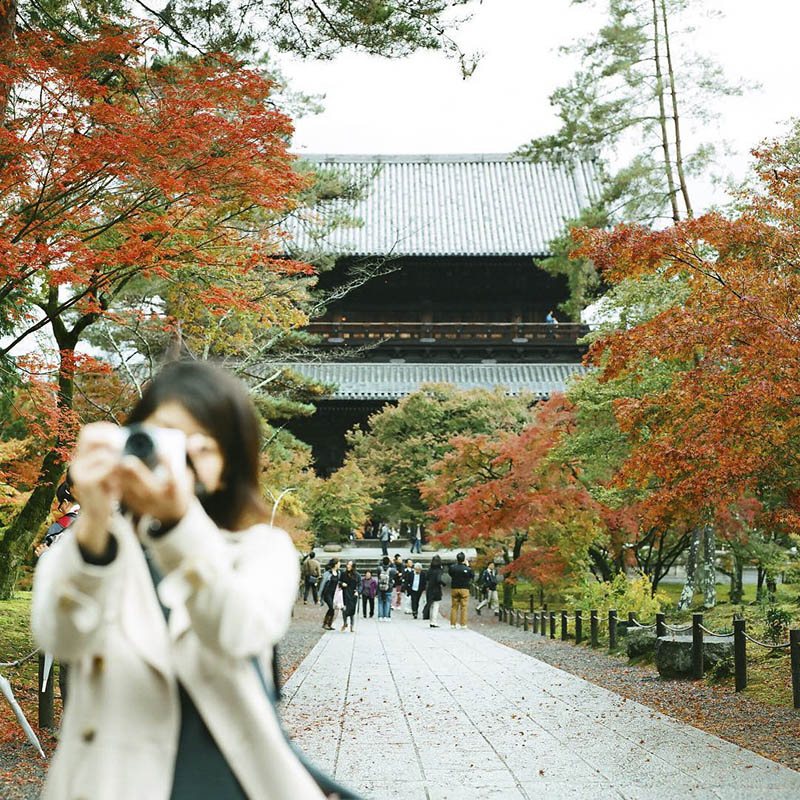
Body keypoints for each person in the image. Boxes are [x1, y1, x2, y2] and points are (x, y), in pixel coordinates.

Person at [31, 361, 326, 800]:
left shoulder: (262, 550)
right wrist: (93, 518)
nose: (180, 460)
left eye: (201, 447)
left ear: (230, 466)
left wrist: (177, 524)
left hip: (224, 783)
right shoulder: (90, 548)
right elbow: (60, 639)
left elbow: (238, 629)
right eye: (165, 439)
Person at [36, 477, 80, 557]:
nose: (61, 510)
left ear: (66, 503)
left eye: (60, 506)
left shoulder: (60, 525)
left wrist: (43, 555)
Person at [448, 552, 474, 629]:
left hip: (455, 587)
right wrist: (468, 566)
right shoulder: (467, 569)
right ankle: (463, 624)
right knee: (464, 606)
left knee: (454, 606)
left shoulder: (452, 567)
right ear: (464, 559)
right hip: (464, 588)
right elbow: (472, 575)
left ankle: (453, 624)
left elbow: (450, 574)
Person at [423, 555, 446, 627]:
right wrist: (443, 583)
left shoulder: (430, 570)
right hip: (436, 589)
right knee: (436, 605)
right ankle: (434, 621)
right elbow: (438, 579)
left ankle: (430, 619)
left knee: (430, 604)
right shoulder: (439, 570)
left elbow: (426, 578)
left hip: (430, 588)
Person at [339, 560, 360, 632]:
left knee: (352, 610)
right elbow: (339, 581)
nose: (348, 566)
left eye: (350, 565)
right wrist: (342, 584)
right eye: (348, 564)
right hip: (345, 593)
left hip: (353, 594)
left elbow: (359, 584)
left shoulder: (357, 575)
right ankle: (345, 623)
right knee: (344, 609)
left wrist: (357, 591)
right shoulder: (343, 574)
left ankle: (352, 625)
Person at [320, 558, 340, 630]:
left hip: (334, 594)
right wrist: (319, 595)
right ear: (335, 564)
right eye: (338, 563)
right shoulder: (328, 573)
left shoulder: (338, 573)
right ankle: (325, 623)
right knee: (331, 608)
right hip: (327, 593)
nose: (339, 564)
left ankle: (329, 624)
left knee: (332, 608)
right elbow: (322, 584)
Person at [376, 557, 396, 621]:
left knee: (380, 602)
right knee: (388, 602)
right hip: (389, 587)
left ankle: (380, 616)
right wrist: (392, 562)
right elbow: (395, 570)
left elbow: (378, 565)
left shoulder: (379, 569)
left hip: (380, 587)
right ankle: (387, 616)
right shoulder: (392, 570)